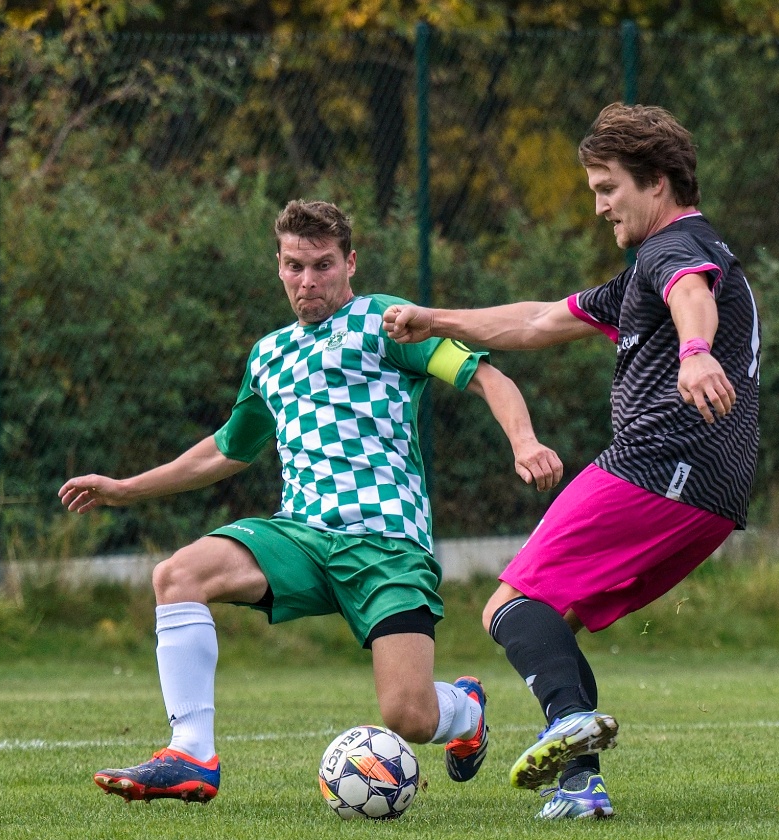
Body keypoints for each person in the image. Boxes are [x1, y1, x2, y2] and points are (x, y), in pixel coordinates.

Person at [58, 199, 564, 803]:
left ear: (350, 263)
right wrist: (125, 488)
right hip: (300, 537)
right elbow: (226, 451)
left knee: (408, 717)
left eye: (323, 265)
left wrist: (524, 440)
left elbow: (487, 376)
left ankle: (465, 711)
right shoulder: (268, 354)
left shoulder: (389, 322)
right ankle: (192, 754)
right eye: (295, 266)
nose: (309, 281)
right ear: (278, 266)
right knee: (178, 574)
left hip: (388, 545)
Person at [384, 103, 761, 820]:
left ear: (656, 182)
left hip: (660, 462)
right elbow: (537, 320)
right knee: (547, 617)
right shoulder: (642, 275)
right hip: (712, 492)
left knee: (510, 604)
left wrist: (693, 351)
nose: (598, 206)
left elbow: (691, 294)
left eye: (607, 187)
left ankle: (566, 729)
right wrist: (435, 319)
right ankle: (579, 783)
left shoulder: (671, 250)